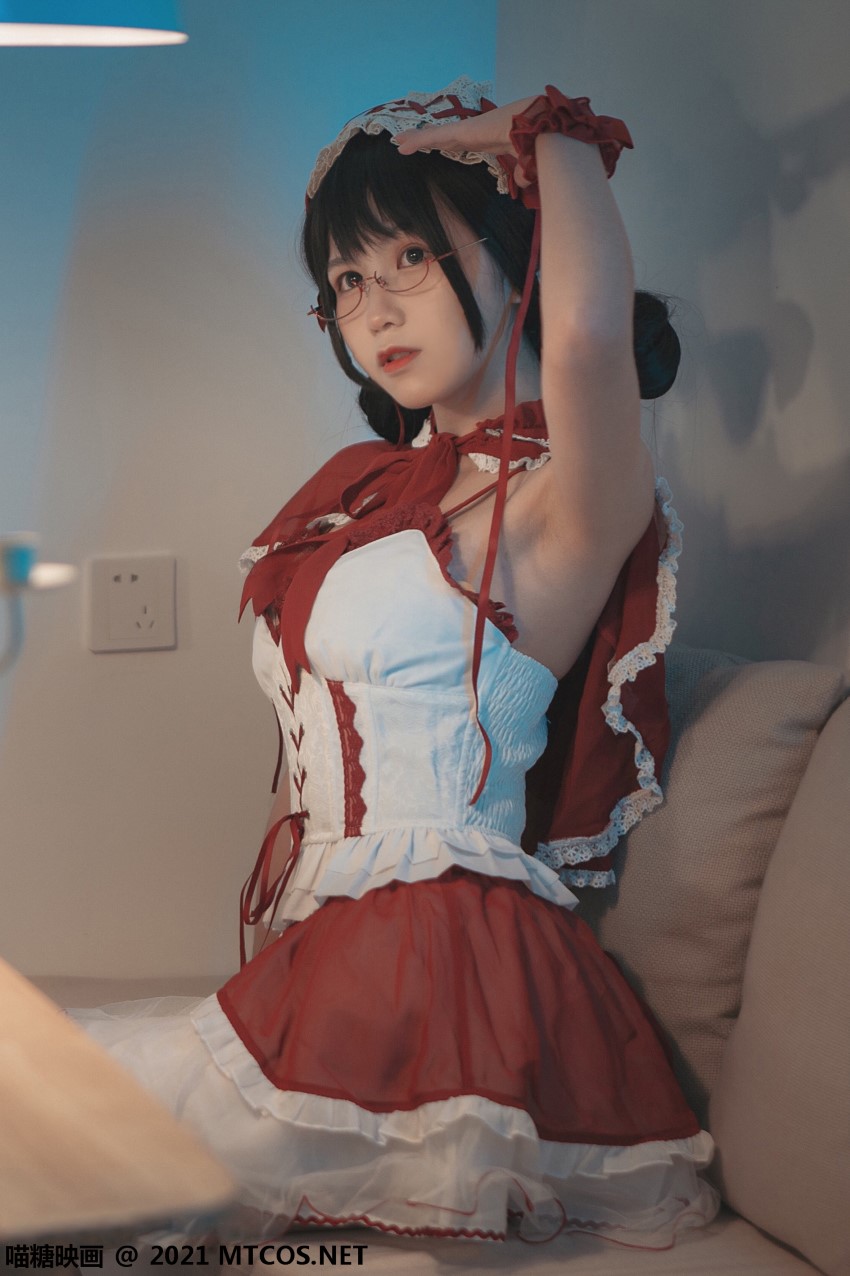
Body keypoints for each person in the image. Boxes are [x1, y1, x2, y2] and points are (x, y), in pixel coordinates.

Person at [67, 77, 720, 1247]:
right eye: (347, 283)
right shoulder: (363, 503)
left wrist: (537, 138)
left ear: (511, 260)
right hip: (339, 955)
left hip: (450, 955)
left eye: (410, 257)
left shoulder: (563, 496)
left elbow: (583, 339)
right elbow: (299, 779)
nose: (373, 310)